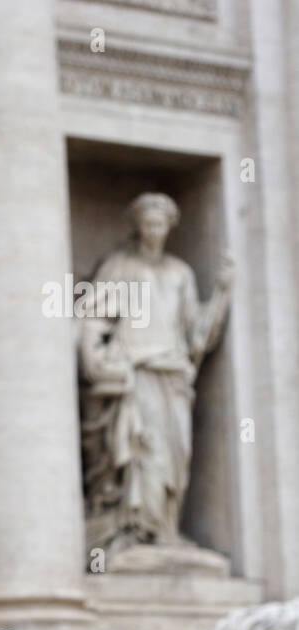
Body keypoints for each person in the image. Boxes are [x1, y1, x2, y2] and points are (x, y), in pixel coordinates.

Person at [78, 192, 232, 555]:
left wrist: (223, 292)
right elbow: (91, 318)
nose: (153, 231)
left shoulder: (180, 273)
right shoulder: (120, 267)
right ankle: (139, 531)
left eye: (160, 224)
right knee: (146, 453)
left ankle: (165, 528)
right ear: (137, 226)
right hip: (138, 372)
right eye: (147, 224)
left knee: (176, 455)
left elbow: (197, 332)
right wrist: (99, 361)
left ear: (169, 228)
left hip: (173, 373)